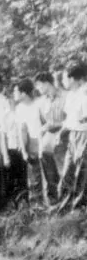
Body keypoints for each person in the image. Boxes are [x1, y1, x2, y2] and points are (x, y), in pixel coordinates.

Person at [56, 63, 87, 212]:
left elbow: (84, 117)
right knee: (68, 170)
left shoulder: (85, 91)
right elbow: (69, 119)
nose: (63, 82)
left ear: (75, 79)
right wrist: (61, 132)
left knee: (81, 171)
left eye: (66, 78)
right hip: (73, 135)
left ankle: (78, 207)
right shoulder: (70, 95)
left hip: (84, 134)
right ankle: (64, 204)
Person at [35, 71, 67, 207]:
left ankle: (66, 199)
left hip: (64, 137)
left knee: (64, 171)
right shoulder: (41, 102)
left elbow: (71, 120)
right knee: (48, 172)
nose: (39, 89)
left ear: (47, 83)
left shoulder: (65, 96)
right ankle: (53, 201)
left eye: (40, 86)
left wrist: (57, 126)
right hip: (48, 139)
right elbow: (42, 122)